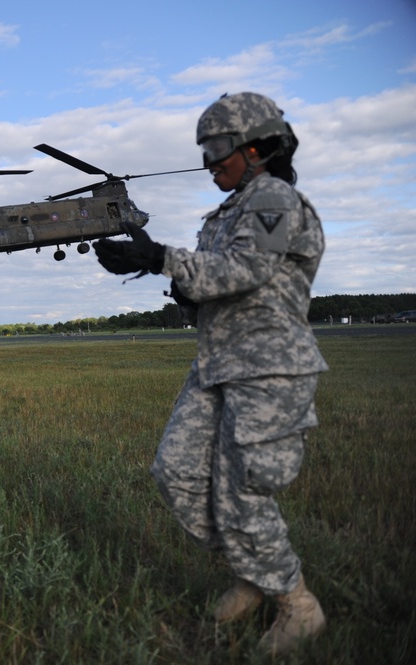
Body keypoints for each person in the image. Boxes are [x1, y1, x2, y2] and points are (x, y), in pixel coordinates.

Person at [93, 92, 328, 655]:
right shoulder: (223, 214)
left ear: (261, 147)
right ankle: (254, 571)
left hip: (268, 368)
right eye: (205, 149)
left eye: (220, 147)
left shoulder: (274, 197)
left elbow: (246, 269)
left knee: (244, 493)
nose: (210, 161)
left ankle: (297, 604)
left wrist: (160, 259)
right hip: (217, 364)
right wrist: (169, 277)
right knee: (174, 472)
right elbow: (207, 295)